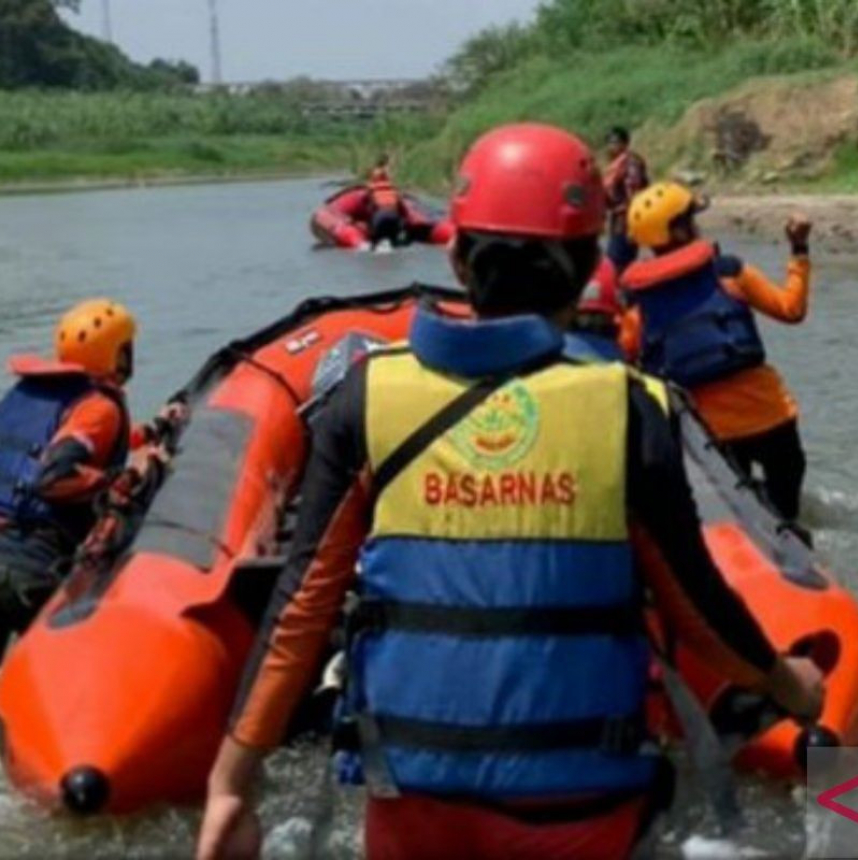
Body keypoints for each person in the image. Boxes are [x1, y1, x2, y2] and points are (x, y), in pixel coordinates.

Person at [196, 123, 823, 860]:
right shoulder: (629, 406)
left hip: (413, 804)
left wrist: (232, 783)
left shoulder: (364, 399)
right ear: (592, 264)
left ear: (458, 257)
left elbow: (301, 608)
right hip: (578, 806)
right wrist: (793, 686)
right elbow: (698, 607)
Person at [620, 181, 814, 526]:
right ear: (681, 230)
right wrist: (799, 250)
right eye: (692, 218)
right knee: (788, 516)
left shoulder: (638, 310)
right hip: (773, 416)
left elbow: (620, 365)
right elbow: (791, 309)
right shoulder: (729, 273)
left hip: (713, 436)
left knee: (746, 519)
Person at [0, 300, 137, 666]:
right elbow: (52, 477)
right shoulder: (99, 407)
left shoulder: (25, 394)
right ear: (117, 354)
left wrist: (139, 439)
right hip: (25, 565)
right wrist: (116, 481)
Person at [603, 126, 649, 273]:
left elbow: (634, 193)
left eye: (615, 142)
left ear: (625, 143)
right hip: (617, 219)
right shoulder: (615, 165)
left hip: (628, 220)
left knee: (617, 262)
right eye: (609, 142)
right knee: (617, 263)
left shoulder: (630, 164)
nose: (611, 146)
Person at [366, 159, 406, 250]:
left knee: (374, 243)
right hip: (394, 216)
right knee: (394, 244)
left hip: (380, 217)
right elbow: (402, 209)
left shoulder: (372, 190)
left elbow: (369, 209)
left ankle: (373, 246)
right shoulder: (393, 188)